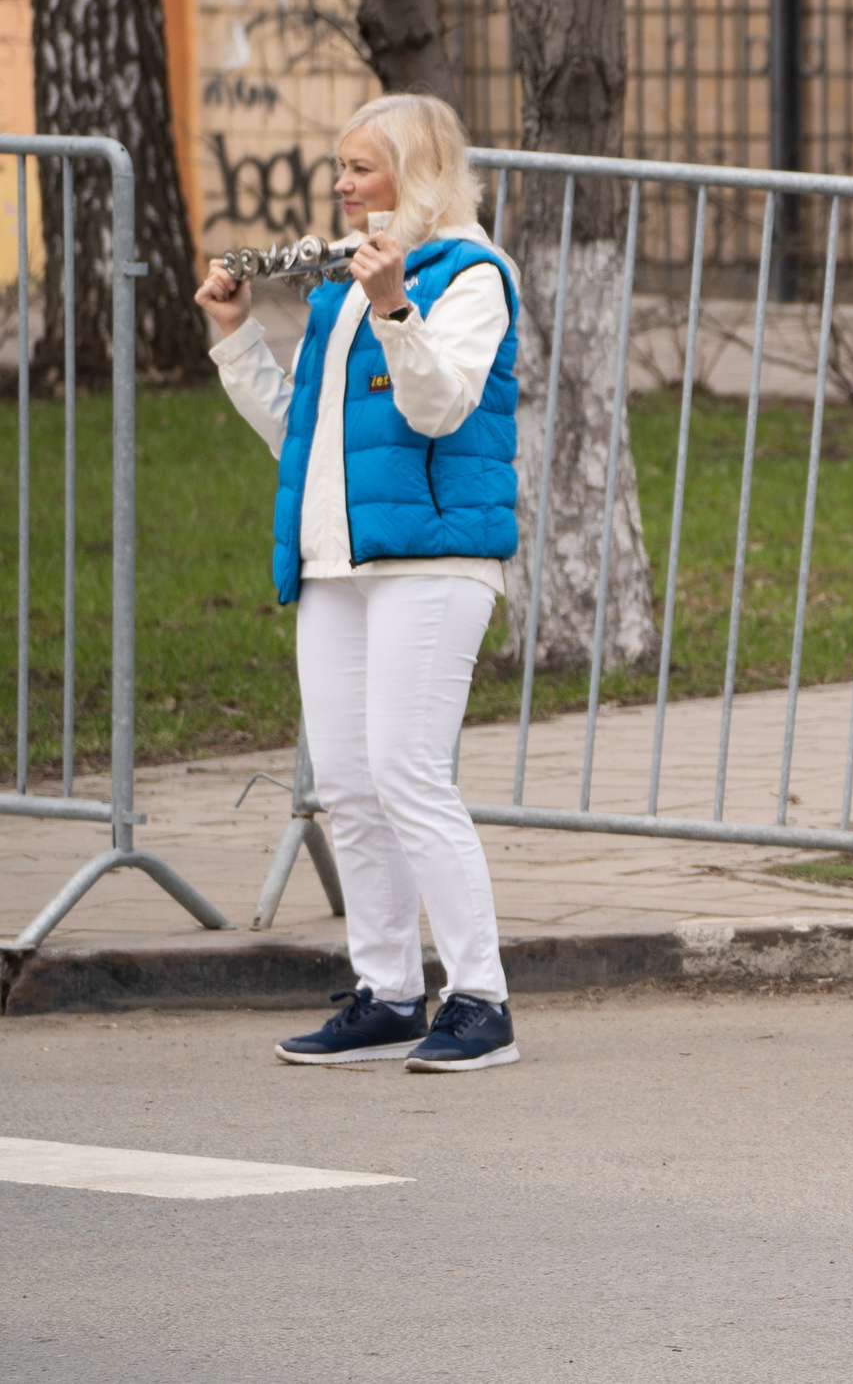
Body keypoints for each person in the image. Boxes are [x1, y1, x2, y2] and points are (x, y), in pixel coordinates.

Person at [197, 94, 524, 1073]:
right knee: (347, 784)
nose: (341, 185)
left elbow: (436, 409)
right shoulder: (346, 280)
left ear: (418, 172)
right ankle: (386, 993)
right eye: (339, 168)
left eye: (362, 168)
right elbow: (298, 429)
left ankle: (481, 1000)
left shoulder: (470, 274)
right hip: (336, 561)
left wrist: (394, 310)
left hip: (432, 560)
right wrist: (235, 336)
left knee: (408, 774)